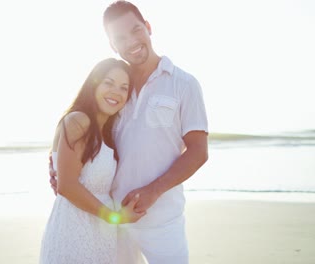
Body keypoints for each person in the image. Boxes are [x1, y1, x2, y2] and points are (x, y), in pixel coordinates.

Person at [49, 1, 209, 263]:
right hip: (111, 221)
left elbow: (199, 152)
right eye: (120, 38)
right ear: (113, 45)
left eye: (136, 30)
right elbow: (83, 127)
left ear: (148, 27)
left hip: (162, 221)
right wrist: (57, 159)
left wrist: (153, 191)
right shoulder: (115, 90)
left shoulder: (184, 84)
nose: (132, 41)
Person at [39, 58, 146, 264]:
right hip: (74, 231)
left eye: (124, 88)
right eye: (108, 83)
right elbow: (67, 186)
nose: (116, 92)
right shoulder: (79, 120)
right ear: (94, 84)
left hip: (101, 232)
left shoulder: (107, 133)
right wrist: (116, 217)